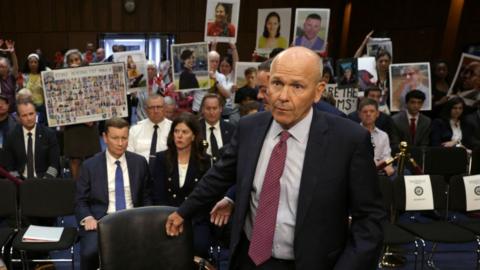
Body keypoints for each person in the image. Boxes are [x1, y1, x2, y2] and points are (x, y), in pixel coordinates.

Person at [166, 47, 385, 269]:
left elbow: (369, 220)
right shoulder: (249, 128)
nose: (282, 96)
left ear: (318, 91)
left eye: (297, 86)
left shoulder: (348, 140)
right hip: (248, 259)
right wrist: (183, 212)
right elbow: (219, 176)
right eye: (277, 83)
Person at [75, 117, 151, 270]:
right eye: (115, 138)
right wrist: (88, 217)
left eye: (124, 138)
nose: (120, 143)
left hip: (134, 220)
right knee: (89, 253)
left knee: (150, 251)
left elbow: (146, 196)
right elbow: (80, 200)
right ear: (105, 138)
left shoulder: (139, 162)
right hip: (100, 222)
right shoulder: (90, 165)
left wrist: (147, 219)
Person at [151, 112, 212, 256]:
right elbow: (158, 195)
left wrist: (184, 216)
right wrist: (172, 217)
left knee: (200, 246)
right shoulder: (161, 159)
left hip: (195, 219)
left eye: (184, 132)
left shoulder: (205, 161)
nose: (179, 136)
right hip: (167, 217)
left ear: (194, 136)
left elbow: (205, 197)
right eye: (176, 131)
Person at [62, 49, 101, 179]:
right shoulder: (61, 80)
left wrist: (92, 117)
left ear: (81, 61)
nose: (74, 63)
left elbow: (98, 98)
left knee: (92, 159)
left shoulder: (90, 77)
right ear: (67, 64)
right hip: (72, 126)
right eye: (71, 61)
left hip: (89, 125)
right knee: (74, 160)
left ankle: (93, 187)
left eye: (77, 60)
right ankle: (76, 187)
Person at [3, 100, 60, 179]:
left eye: (31, 114)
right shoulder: (11, 136)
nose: (29, 118)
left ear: (36, 113)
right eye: (24, 115)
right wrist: (18, 182)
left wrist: (46, 181)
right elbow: (9, 165)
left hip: (44, 180)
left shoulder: (49, 134)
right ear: (18, 117)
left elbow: (54, 164)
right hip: (20, 182)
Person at [128, 94, 172, 164]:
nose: (156, 111)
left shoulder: (173, 129)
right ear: (146, 110)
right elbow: (129, 156)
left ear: (165, 108)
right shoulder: (134, 130)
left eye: (159, 107)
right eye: (151, 107)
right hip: (141, 171)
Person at [358, 98, 395, 176]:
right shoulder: (353, 133)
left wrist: (386, 165)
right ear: (359, 114)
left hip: (380, 172)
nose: (368, 114)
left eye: (372, 111)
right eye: (365, 111)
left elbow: (387, 158)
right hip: (360, 172)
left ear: (377, 114)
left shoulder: (383, 135)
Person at [200, 94, 235, 162]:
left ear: (221, 109)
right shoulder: (196, 129)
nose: (211, 112)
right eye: (208, 108)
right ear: (202, 110)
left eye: (214, 108)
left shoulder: (231, 129)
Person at [20, 53, 48, 124]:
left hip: (41, 106)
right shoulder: (24, 76)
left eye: (35, 62)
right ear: (28, 64)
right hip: (28, 105)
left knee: (41, 125)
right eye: (31, 62)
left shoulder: (44, 73)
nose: (33, 64)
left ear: (39, 63)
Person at [0, 39, 18, 113]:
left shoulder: (11, 76)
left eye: (1, 66)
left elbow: (16, 66)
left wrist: (12, 53)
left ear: (7, 68)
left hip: (12, 108)